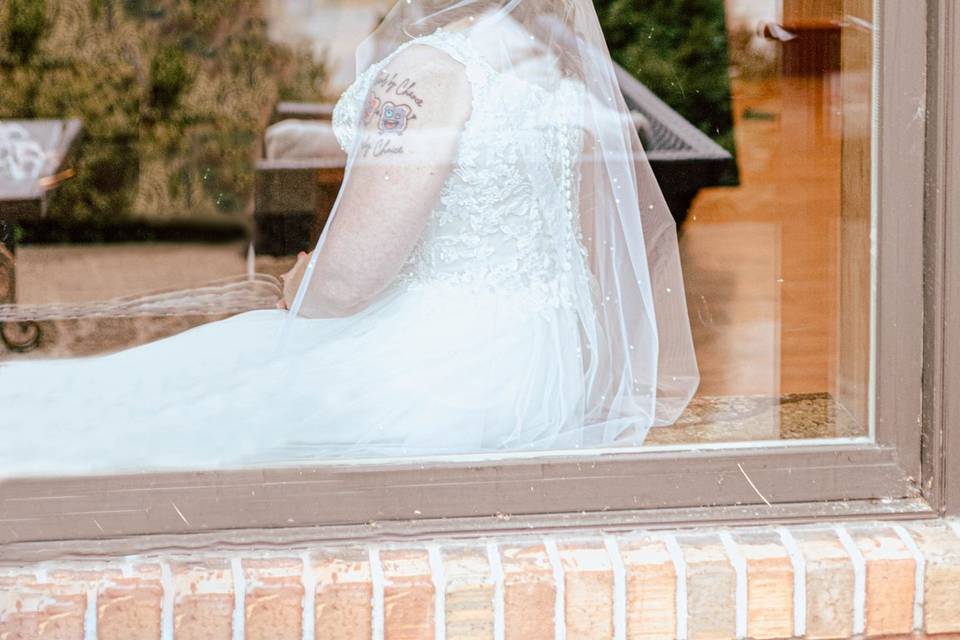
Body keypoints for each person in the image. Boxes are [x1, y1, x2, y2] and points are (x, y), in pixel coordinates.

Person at [0, 0, 698, 477]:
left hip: (457, 373)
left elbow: (349, 282)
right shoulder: (542, 58)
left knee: (161, 410)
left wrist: (302, 282)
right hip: (547, 357)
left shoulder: (427, 74)